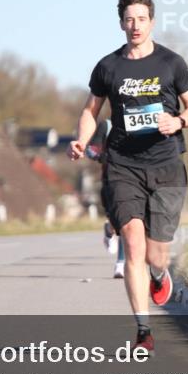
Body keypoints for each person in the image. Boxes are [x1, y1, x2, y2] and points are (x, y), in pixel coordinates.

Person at [69, 0, 188, 355]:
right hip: (123, 165)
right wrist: (81, 139)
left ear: (152, 22)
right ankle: (144, 331)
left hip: (166, 166)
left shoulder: (172, 63)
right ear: (121, 24)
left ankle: (160, 275)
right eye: (129, 19)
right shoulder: (108, 67)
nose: (135, 26)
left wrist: (176, 121)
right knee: (132, 244)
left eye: (141, 19)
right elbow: (90, 110)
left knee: (157, 255)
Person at [85, 118, 125, 278]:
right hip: (111, 180)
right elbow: (90, 150)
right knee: (118, 223)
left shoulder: (141, 122)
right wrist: (101, 156)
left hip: (135, 180)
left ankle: (121, 263)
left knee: (127, 223)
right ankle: (109, 230)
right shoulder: (106, 125)